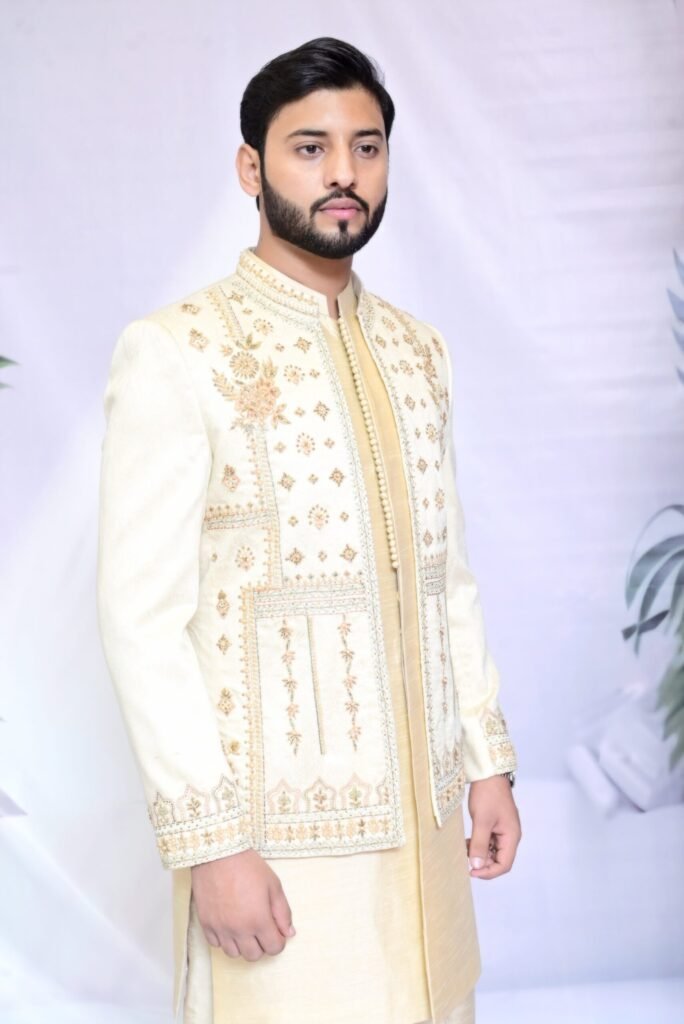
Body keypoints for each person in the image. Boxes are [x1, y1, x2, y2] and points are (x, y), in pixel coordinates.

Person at [96, 36, 521, 1024]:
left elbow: (447, 577)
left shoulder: (418, 351)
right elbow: (140, 620)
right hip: (275, 855)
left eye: (366, 147)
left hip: (425, 847)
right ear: (251, 168)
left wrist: (487, 761)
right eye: (310, 147)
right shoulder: (178, 352)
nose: (344, 174)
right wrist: (212, 847)